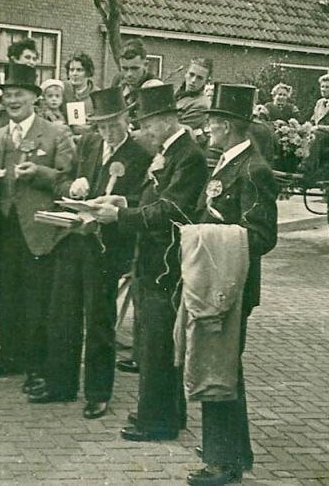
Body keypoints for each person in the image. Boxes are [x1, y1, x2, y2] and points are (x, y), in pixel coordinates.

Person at [92, 83, 209, 441]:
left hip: (165, 261)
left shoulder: (187, 156)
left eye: (148, 123)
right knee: (154, 339)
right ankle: (166, 412)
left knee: (158, 342)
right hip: (154, 259)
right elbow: (153, 201)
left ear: (168, 119)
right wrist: (124, 204)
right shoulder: (170, 152)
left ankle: (156, 422)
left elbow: (171, 208)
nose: (144, 131)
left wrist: (121, 217)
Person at [33, 87, 150, 418]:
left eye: (115, 125)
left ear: (127, 120)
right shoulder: (88, 143)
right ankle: (61, 384)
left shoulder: (140, 155)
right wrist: (72, 187)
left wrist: (118, 209)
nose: (109, 132)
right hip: (74, 240)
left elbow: (143, 203)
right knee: (63, 314)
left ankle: (98, 392)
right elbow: (62, 179)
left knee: (99, 320)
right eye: (103, 126)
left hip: (106, 247)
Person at [184, 84, 279, 486]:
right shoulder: (227, 162)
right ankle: (231, 452)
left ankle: (222, 463)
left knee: (218, 369)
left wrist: (214, 234)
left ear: (226, 125)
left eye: (211, 121)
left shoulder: (253, 169)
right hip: (218, 282)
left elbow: (262, 235)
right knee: (225, 368)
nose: (207, 128)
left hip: (231, 286)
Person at [0, 63, 74, 395]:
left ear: (35, 98)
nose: (13, 101)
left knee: (37, 300)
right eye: (8, 96)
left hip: (40, 229)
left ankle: (37, 366)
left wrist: (40, 174)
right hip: (6, 228)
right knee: (8, 295)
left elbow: (69, 180)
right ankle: (8, 357)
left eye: (19, 94)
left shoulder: (55, 134)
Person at [303, 74, 329, 180]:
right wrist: (305, 126)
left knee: (316, 135)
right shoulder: (320, 102)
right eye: (322, 86)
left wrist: (318, 127)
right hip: (316, 134)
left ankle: (308, 167)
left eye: (327, 87)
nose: (323, 89)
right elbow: (313, 119)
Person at [175, 58, 213, 146]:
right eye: (191, 74)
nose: (193, 80)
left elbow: (175, 131)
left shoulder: (201, 105)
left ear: (206, 81)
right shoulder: (178, 93)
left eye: (199, 78)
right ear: (185, 74)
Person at [110, 39, 151, 118]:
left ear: (146, 65)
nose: (129, 74)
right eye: (125, 69)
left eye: (135, 68)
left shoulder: (154, 86)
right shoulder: (118, 80)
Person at [62, 51, 99, 118]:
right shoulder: (61, 89)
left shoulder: (97, 94)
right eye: (71, 70)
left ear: (88, 72)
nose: (74, 74)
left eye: (79, 70)